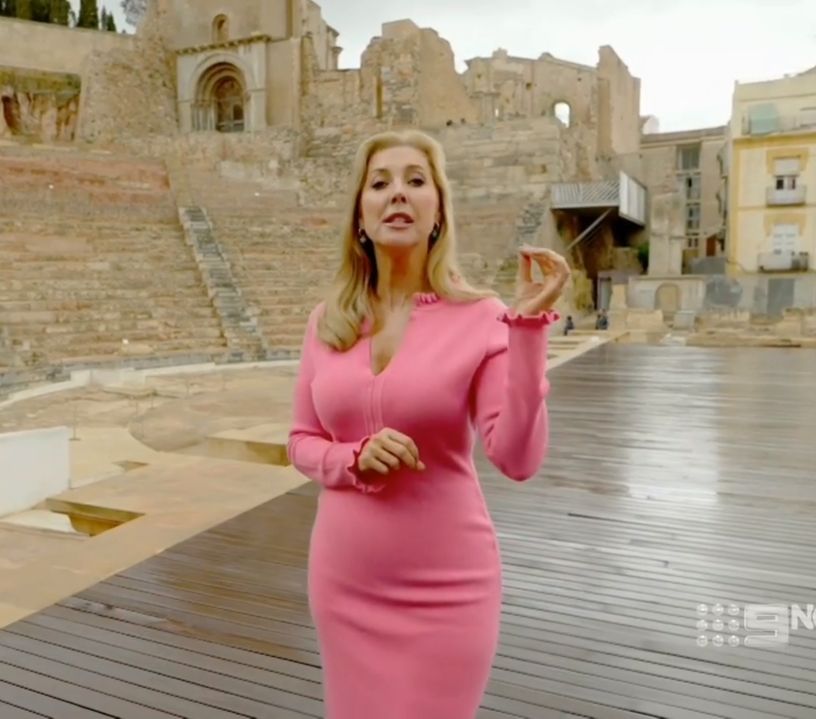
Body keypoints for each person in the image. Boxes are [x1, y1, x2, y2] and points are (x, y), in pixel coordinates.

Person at [287, 129, 571, 719]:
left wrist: (526, 331)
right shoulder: (326, 321)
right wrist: (350, 458)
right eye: (380, 183)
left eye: (416, 181)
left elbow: (518, 458)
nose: (398, 193)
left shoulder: (483, 316)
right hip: (344, 584)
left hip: (448, 589)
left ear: (438, 211)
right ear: (360, 215)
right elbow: (301, 441)